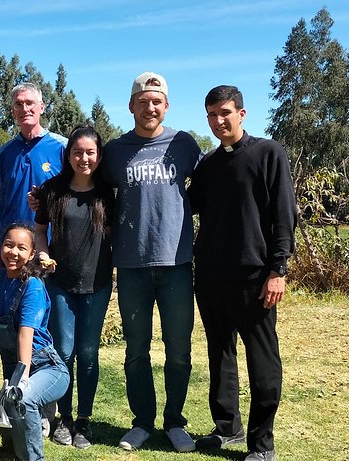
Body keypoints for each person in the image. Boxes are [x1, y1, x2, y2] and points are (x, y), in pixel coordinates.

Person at [188, 85, 295, 461]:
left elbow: (284, 216)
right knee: (220, 356)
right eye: (212, 115)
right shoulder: (209, 165)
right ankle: (227, 429)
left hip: (256, 279)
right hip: (212, 277)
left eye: (225, 113)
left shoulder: (268, 154)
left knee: (263, 362)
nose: (219, 121)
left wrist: (278, 269)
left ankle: (262, 444)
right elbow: (186, 204)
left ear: (242, 113)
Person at [103, 72, 201, 452]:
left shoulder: (184, 144)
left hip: (176, 263)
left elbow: (211, 187)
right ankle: (142, 423)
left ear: (167, 105)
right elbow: (88, 189)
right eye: (143, 101)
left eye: (156, 101)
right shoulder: (114, 151)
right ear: (131, 106)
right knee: (136, 350)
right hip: (131, 265)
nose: (150, 107)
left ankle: (175, 422)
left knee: (179, 349)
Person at [33, 126, 114, 449]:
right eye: (77, 152)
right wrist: (42, 251)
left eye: (90, 152)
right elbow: (40, 229)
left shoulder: (108, 192)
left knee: (89, 353)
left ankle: (85, 420)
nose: (84, 158)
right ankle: (63, 418)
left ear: (99, 156)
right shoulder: (53, 190)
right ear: (68, 155)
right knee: (63, 352)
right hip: (60, 283)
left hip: (98, 283)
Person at [0, 223, 69, 461]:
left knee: (24, 399)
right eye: (9, 245)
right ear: (1, 247)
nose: (14, 253)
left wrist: (23, 378)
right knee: (13, 407)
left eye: (21, 248)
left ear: (31, 254)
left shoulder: (32, 286)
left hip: (47, 367)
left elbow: (25, 334)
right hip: (16, 365)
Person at [0, 83, 65, 269]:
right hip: (13, 252)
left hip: (51, 249)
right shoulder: (3, 154)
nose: (25, 109)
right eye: (18, 104)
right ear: (13, 111)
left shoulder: (63, 147)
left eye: (30, 103)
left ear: (42, 106)